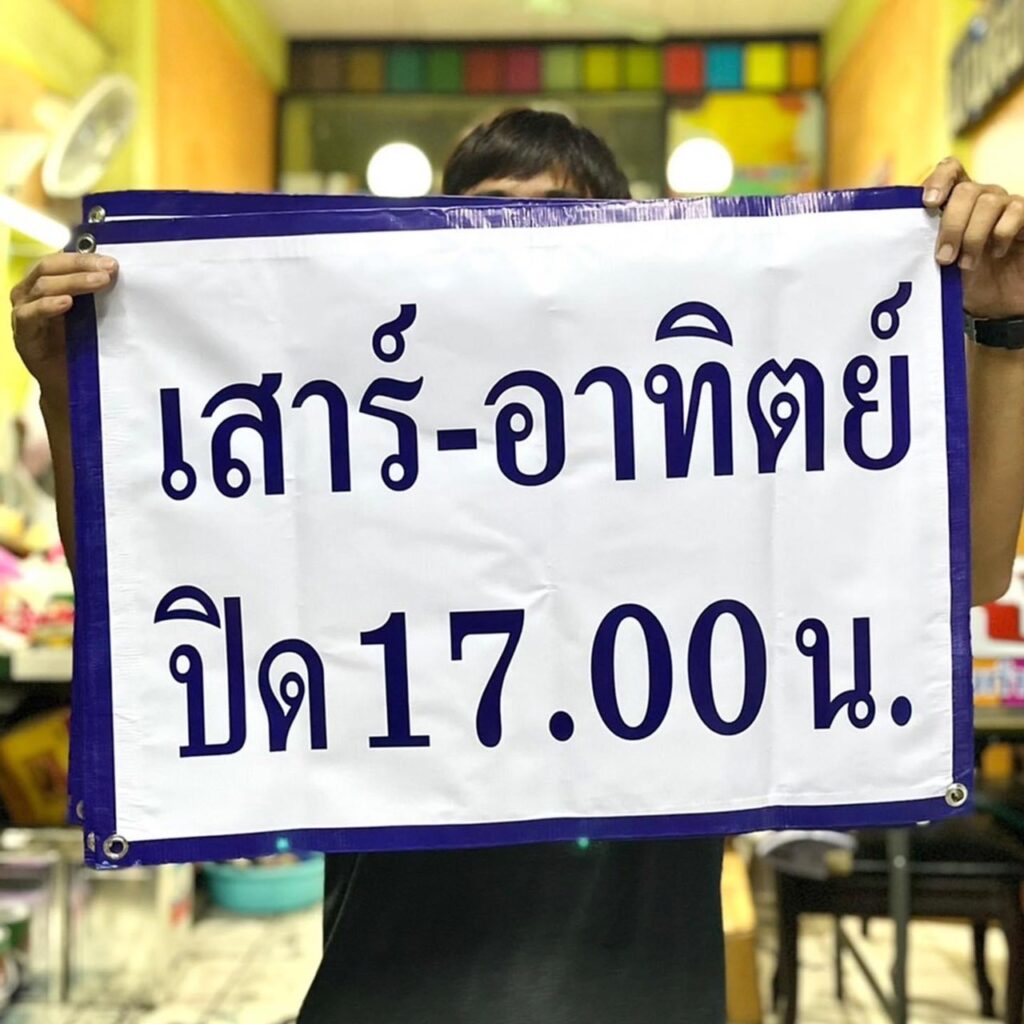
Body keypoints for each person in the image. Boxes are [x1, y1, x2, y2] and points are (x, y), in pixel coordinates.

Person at [10, 108, 1024, 1023]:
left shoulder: (710, 481)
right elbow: (147, 587)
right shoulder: (355, 469)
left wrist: (1004, 330)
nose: (525, 255)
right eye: (490, 220)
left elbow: (966, 570)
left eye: (560, 224)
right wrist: (74, 387)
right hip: (387, 994)